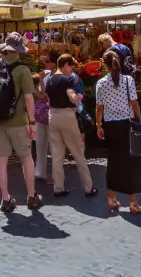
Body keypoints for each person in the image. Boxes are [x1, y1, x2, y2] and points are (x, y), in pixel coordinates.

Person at [0, 31, 42, 213]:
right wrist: (32, 122)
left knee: (1, 161)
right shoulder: (23, 70)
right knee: (26, 158)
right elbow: (29, 98)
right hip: (18, 122)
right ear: (18, 50)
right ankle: (31, 196)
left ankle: (5, 199)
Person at [95, 50, 141, 215]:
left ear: (104, 64)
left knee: (114, 161)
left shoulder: (101, 83)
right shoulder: (128, 80)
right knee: (132, 162)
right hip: (127, 124)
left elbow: (99, 108)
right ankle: (133, 202)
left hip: (111, 126)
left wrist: (98, 126)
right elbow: (134, 103)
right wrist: (139, 119)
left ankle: (112, 198)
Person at [45, 53, 96, 197]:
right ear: (66, 64)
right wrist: (77, 97)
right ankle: (88, 187)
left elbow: (47, 98)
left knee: (57, 155)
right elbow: (71, 93)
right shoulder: (67, 79)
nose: (72, 70)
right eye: (71, 66)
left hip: (52, 116)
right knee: (78, 152)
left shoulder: (50, 79)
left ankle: (58, 188)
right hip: (67, 116)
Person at [33, 70, 51, 182]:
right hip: (42, 116)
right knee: (40, 144)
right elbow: (41, 94)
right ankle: (40, 172)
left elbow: (42, 95)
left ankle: (42, 172)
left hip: (43, 116)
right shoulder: (44, 78)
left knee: (43, 145)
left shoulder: (51, 77)